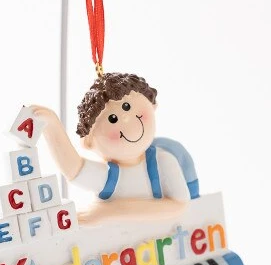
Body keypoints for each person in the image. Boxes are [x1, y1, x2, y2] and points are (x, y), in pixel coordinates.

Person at [32, 72, 190, 225]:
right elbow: (74, 169)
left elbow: (179, 204)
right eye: (112, 119)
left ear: (152, 105)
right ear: (89, 142)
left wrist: (108, 211)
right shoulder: (109, 177)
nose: (126, 120)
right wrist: (52, 126)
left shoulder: (162, 161)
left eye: (127, 106)